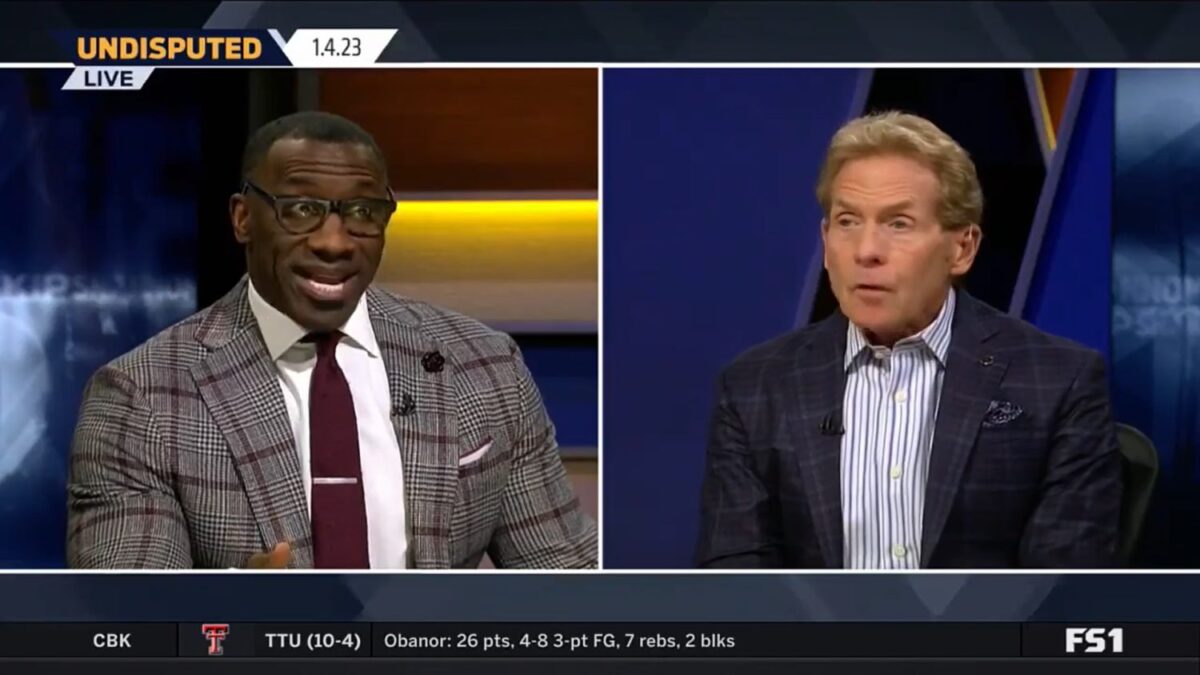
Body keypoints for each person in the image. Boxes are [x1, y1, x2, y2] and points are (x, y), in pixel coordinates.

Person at [67, 111, 597, 569]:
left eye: (363, 213)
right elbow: (132, 621)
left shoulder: (484, 366)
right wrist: (232, 612)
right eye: (301, 209)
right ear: (244, 218)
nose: (334, 243)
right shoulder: (142, 397)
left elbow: (564, 579)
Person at [695, 111, 1122, 569]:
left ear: (962, 248)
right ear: (825, 240)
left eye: (898, 223)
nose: (866, 251)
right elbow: (736, 576)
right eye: (847, 221)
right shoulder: (756, 386)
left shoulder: (1059, 381)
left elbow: (1064, 584)